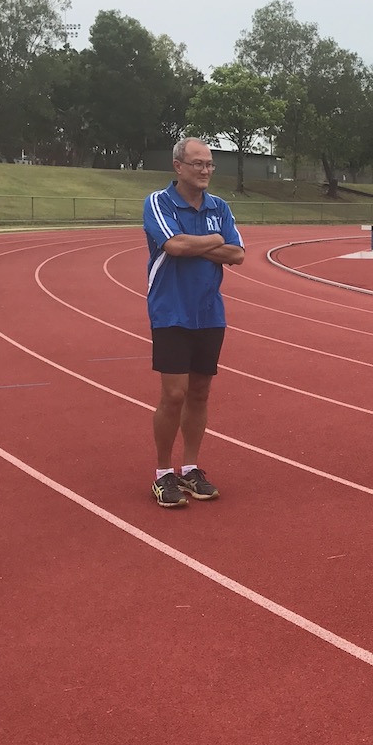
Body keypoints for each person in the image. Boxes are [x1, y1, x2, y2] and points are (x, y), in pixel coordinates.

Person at [143, 138, 245, 508]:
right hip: (170, 311)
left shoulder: (220, 207)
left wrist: (199, 242)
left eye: (210, 165)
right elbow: (174, 247)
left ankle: (190, 467)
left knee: (200, 392)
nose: (205, 170)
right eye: (198, 163)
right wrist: (214, 240)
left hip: (209, 311)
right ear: (178, 166)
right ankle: (162, 473)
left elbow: (238, 254)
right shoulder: (158, 202)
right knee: (173, 395)